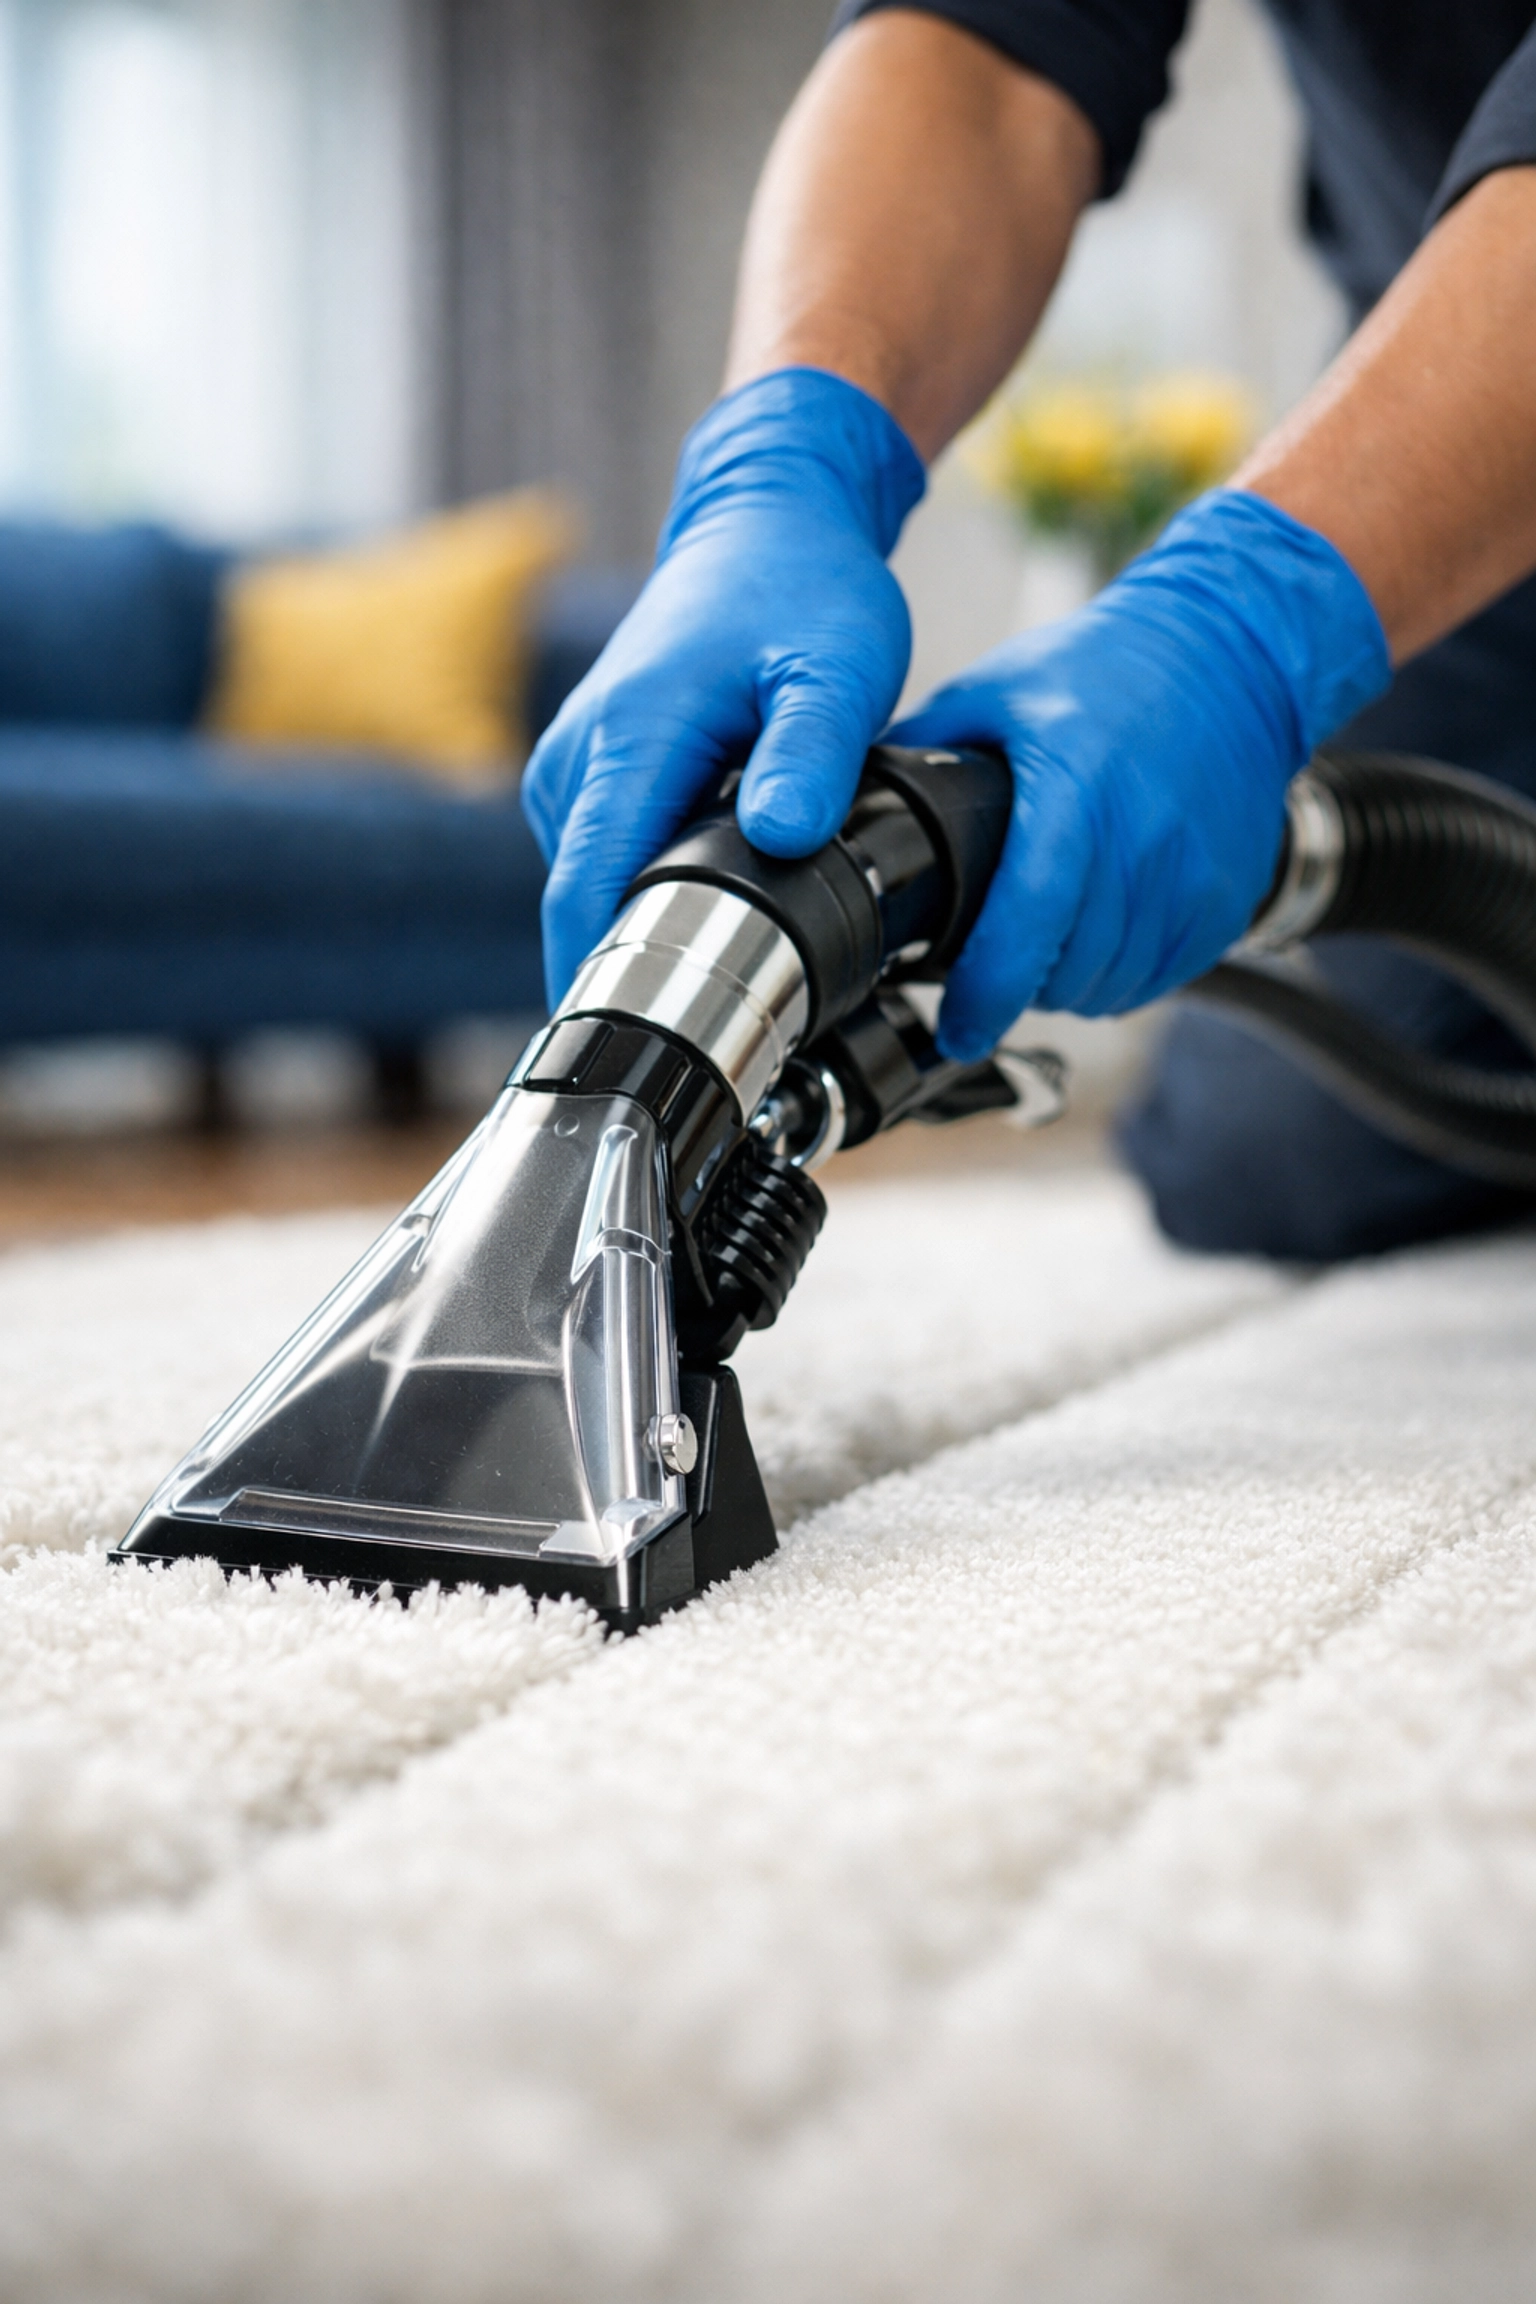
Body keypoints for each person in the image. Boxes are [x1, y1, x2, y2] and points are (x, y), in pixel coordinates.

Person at [523, 1, 1536, 1262]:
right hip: (1473, 486)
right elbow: (993, 50)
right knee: (1273, 1156)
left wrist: (1247, 621)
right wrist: (782, 459)